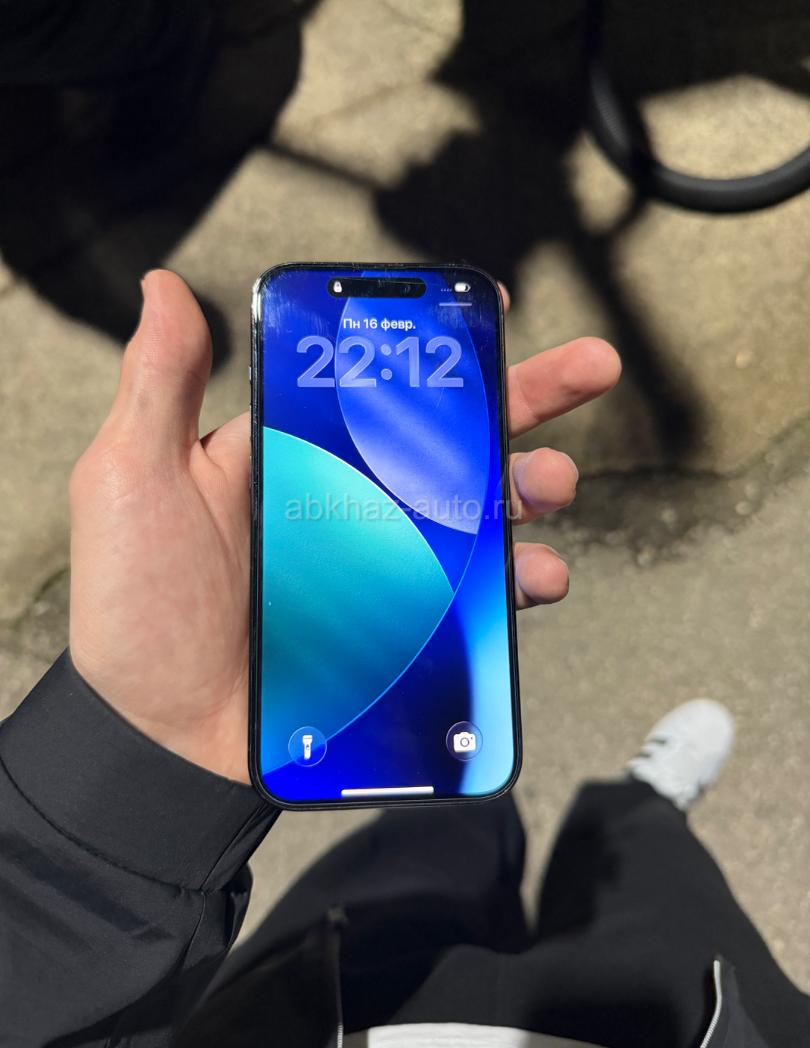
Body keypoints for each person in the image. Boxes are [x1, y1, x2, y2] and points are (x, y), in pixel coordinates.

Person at [0, 271, 806, 1048]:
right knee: (647, 870)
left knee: (435, 838)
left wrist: (123, 788)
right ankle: (637, 805)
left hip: (323, 1008)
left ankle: (539, 813)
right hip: (684, 1022)